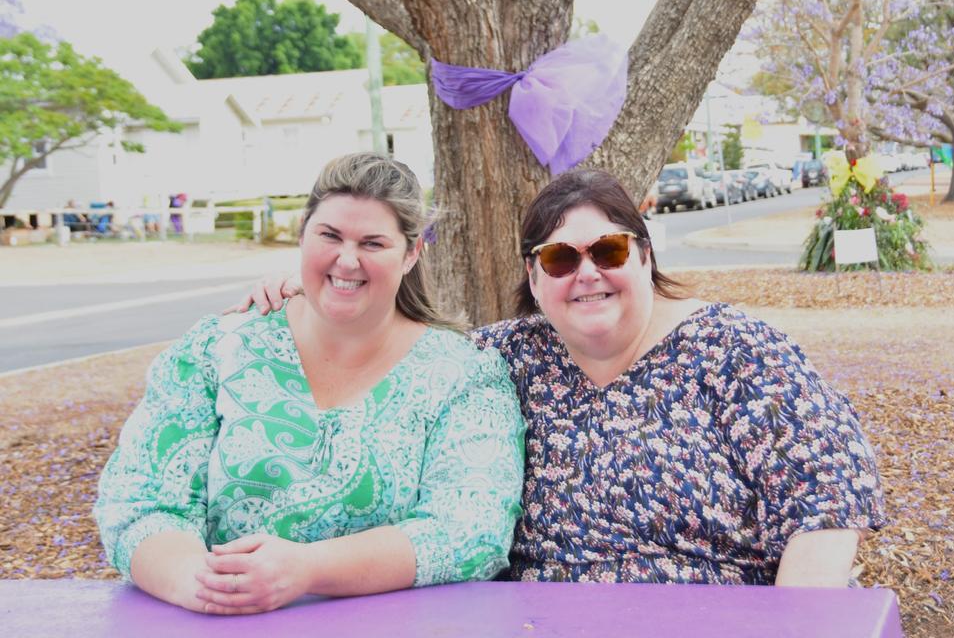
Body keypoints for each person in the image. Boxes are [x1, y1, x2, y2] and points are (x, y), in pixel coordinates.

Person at [237, 168, 885, 587]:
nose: (586, 272)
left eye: (606, 251)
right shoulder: (498, 362)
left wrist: (797, 625)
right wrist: (320, 293)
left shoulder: (736, 350)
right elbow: (393, 350)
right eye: (559, 257)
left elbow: (826, 503)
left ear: (644, 254)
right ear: (534, 275)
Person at [95, 153, 525, 616]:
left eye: (373, 243)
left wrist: (307, 569)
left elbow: (471, 529)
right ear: (303, 234)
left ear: (412, 253)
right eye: (330, 236)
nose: (346, 259)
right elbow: (138, 501)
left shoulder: (463, 374)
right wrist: (201, 585)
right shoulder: (215, 350)